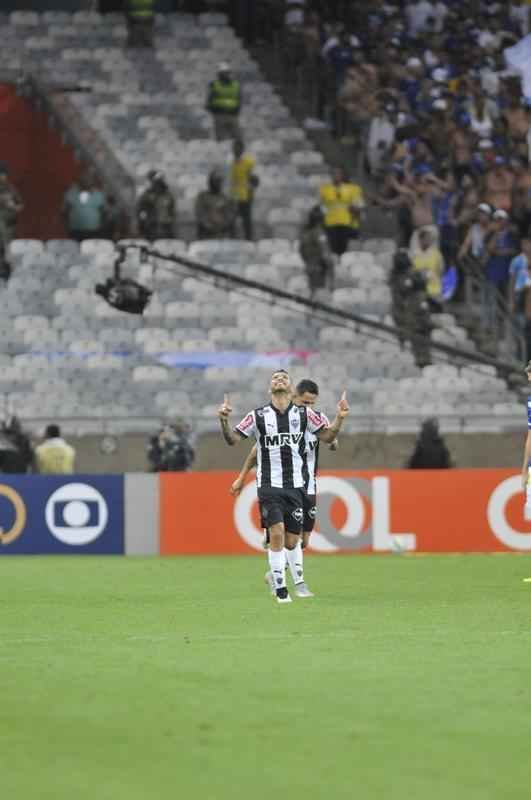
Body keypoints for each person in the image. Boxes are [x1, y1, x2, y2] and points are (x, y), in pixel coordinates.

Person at [218, 369, 349, 603]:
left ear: (290, 388)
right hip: (268, 484)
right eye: (275, 378)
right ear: (270, 388)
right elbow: (233, 441)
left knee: (295, 541)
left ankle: (282, 575)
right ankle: (283, 589)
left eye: (284, 377)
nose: (279, 379)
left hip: (299, 485)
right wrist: (223, 420)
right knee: (277, 534)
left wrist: (339, 418)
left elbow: (329, 439)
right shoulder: (257, 416)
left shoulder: (306, 416)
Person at [319, 167, 365, 256]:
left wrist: (355, 209)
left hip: (348, 224)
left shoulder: (354, 189)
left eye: (338, 173)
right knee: (333, 251)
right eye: (334, 173)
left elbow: (359, 206)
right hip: (331, 224)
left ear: (343, 175)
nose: (336, 176)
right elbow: (322, 207)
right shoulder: (325, 189)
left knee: (347, 253)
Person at [299, 205, 335, 295]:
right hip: (319, 268)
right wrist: (331, 270)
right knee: (319, 295)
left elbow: (301, 251)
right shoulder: (319, 232)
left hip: (310, 267)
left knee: (313, 293)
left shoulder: (305, 232)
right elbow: (325, 253)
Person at [195, 169, 237, 239]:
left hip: (223, 233)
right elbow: (200, 214)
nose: (218, 183)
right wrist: (209, 226)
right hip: (206, 234)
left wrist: (222, 226)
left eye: (219, 181)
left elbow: (230, 216)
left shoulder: (226, 198)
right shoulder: (202, 197)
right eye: (216, 181)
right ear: (210, 182)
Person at [63, 176, 107, 242]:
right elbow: (64, 212)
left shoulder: (99, 195)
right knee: (75, 249)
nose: (86, 183)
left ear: (92, 183)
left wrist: (101, 226)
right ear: (79, 182)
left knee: (91, 249)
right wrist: (67, 226)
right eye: (83, 181)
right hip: (75, 230)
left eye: (89, 181)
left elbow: (104, 212)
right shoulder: (70, 193)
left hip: (93, 230)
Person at [136, 171, 177, 240]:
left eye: (160, 181)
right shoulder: (146, 195)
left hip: (165, 227)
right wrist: (142, 224)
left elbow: (171, 211)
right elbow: (140, 210)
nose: (158, 183)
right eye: (156, 181)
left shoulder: (168, 195)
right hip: (151, 227)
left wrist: (170, 220)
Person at [230, 140, 258, 241]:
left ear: (242, 149)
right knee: (231, 221)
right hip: (232, 196)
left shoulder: (248, 163)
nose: (237, 150)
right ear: (232, 149)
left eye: (239, 147)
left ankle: (248, 240)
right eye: (235, 147)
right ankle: (232, 239)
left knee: (246, 221)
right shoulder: (229, 163)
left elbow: (254, 180)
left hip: (245, 196)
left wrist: (251, 190)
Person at [207, 63, 242, 142]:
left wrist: (236, 111)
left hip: (232, 115)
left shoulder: (236, 85)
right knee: (220, 138)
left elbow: (239, 99)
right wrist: (214, 111)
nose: (225, 75)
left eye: (226, 73)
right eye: (223, 73)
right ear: (219, 74)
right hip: (219, 115)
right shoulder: (214, 84)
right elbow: (209, 99)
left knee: (237, 137)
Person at [411, 228, 444, 304]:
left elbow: (441, 270)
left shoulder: (437, 254)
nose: (429, 241)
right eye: (426, 238)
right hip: (419, 291)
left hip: (434, 290)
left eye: (430, 239)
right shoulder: (413, 255)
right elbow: (411, 271)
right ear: (420, 240)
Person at [0, 165, 23, 269]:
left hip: (8, 228)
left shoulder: (11, 189)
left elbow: (20, 206)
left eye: (4, 174)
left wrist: (12, 206)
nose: (2, 176)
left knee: (8, 255)